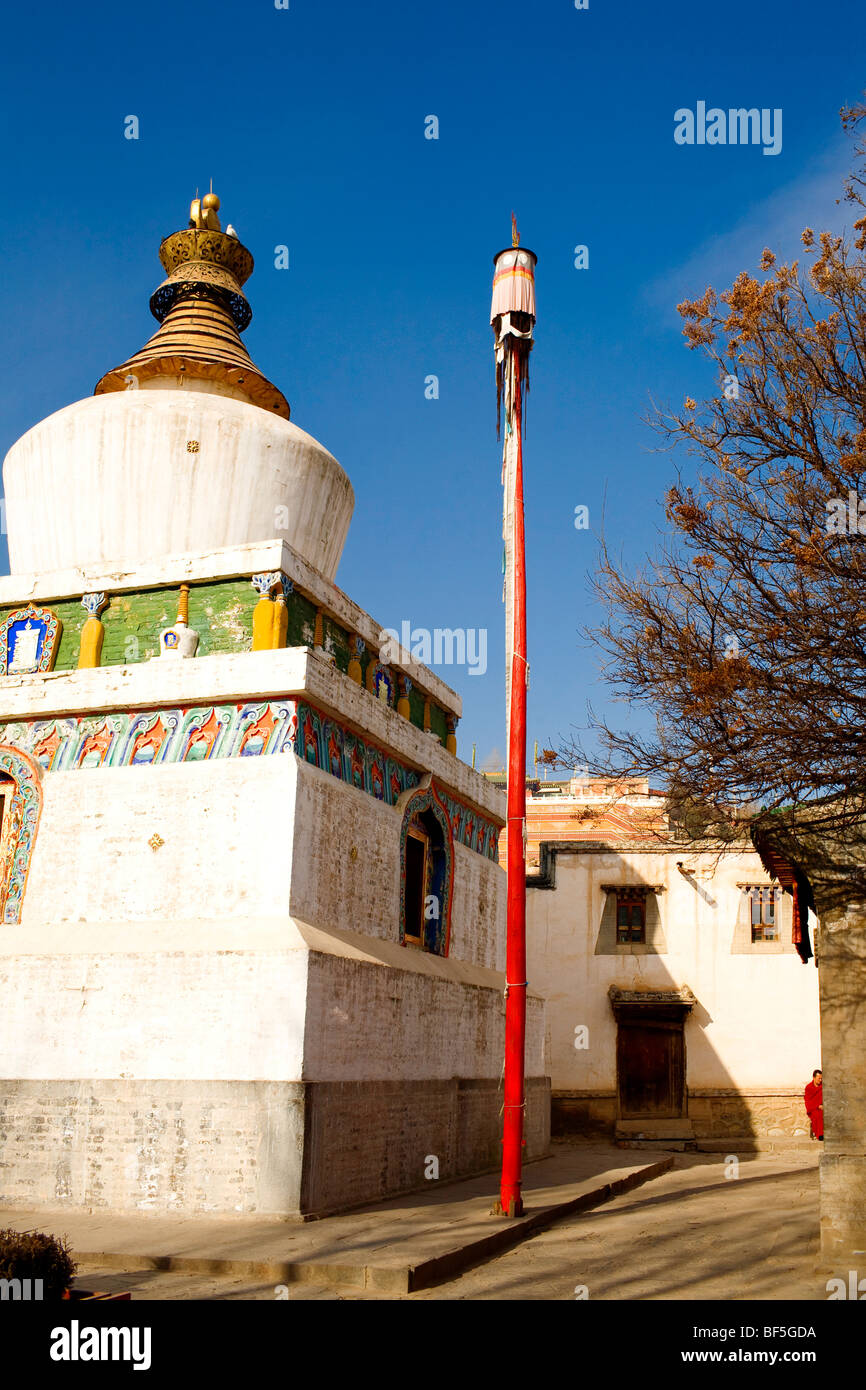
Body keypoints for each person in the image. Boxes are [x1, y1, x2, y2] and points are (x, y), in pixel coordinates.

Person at [805, 1069, 824, 1140]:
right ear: (814, 1078)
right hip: (813, 1108)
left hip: (822, 1107)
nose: (820, 1080)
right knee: (817, 1115)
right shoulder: (809, 1087)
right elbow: (808, 1101)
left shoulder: (822, 1087)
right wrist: (817, 1106)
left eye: (821, 1078)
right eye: (819, 1078)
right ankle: (820, 1135)